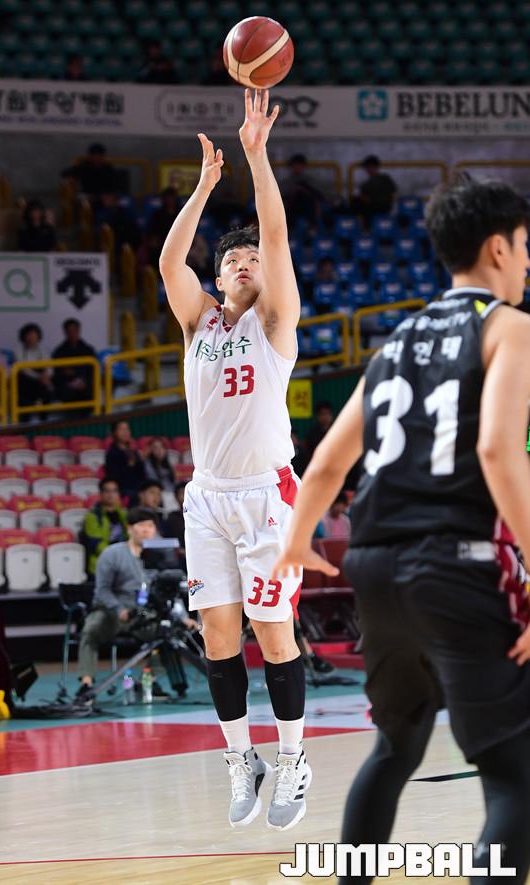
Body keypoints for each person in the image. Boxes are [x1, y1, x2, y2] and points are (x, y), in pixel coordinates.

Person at [273, 177, 530, 883]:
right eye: (525, 246)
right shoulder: (509, 327)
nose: (527, 261)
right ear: (498, 248)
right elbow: (498, 451)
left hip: (375, 566)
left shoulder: (395, 342)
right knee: (514, 773)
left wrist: (296, 543)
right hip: (452, 561)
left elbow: (328, 463)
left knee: (397, 745)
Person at [159, 88, 310, 831]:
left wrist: (256, 156)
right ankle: (240, 759)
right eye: (233, 259)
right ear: (218, 278)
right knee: (218, 636)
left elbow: (275, 235)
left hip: (267, 494)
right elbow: (168, 261)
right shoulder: (198, 324)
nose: (246, 262)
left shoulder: (276, 323)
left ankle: (293, 760)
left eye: (252, 259)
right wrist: (203, 188)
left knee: (273, 634)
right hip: (209, 497)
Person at [75, 507, 165, 699]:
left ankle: (149, 680)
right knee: (91, 629)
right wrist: (118, 609)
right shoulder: (112, 554)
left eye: (150, 526)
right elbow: (102, 590)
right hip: (111, 611)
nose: (146, 530)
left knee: (167, 632)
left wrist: (182, 617)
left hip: (141, 613)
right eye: (141, 525)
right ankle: (86, 682)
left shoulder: (158, 556)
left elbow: (165, 590)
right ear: (130, 528)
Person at [81, 478, 128, 577]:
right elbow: (96, 544)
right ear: (101, 494)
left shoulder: (124, 514)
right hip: (100, 567)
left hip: (123, 566)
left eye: (114, 491)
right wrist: (118, 556)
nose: (111, 494)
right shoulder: (92, 516)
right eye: (107, 491)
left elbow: (130, 537)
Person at [51, 318, 97, 409]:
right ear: (65, 332)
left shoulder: (88, 349)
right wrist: (70, 381)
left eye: (75, 330)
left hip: (85, 383)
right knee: (66, 391)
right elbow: (56, 373)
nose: (72, 333)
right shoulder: (59, 351)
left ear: (79, 330)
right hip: (67, 384)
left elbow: (93, 370)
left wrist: (83, 381)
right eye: (69, 331)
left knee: (91, 389)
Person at [14, 322, 52, 417]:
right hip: (26, 381)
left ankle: (43, 417)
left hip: (41, 381)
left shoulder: (43, 350)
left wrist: (46, 376)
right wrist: (38, 377)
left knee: (48, 388)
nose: (31, 338)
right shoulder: (18, 351)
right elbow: (23, 369)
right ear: (24, 337)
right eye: (29, 335)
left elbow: (49, 367)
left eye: (34, 335)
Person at [104, 420, 146, 504]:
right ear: (114, 433)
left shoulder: (133, 451)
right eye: (121, 429)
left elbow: (142, 475)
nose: (125, 432)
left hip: (139, 487)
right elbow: (115, 479)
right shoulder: (112, 453)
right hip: (124, 490)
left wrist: (141, 462)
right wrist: (129, 465)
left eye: (127, 429)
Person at [352, 154, 397, 227]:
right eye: (366, 167)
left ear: (375, 167)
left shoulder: (385, 179)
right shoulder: (366, 183)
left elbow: (393, 194)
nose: (367, 169)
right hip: (373, 207)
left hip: (381, 207)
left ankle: (364, 227)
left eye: (369, 166)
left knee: (358, 204)